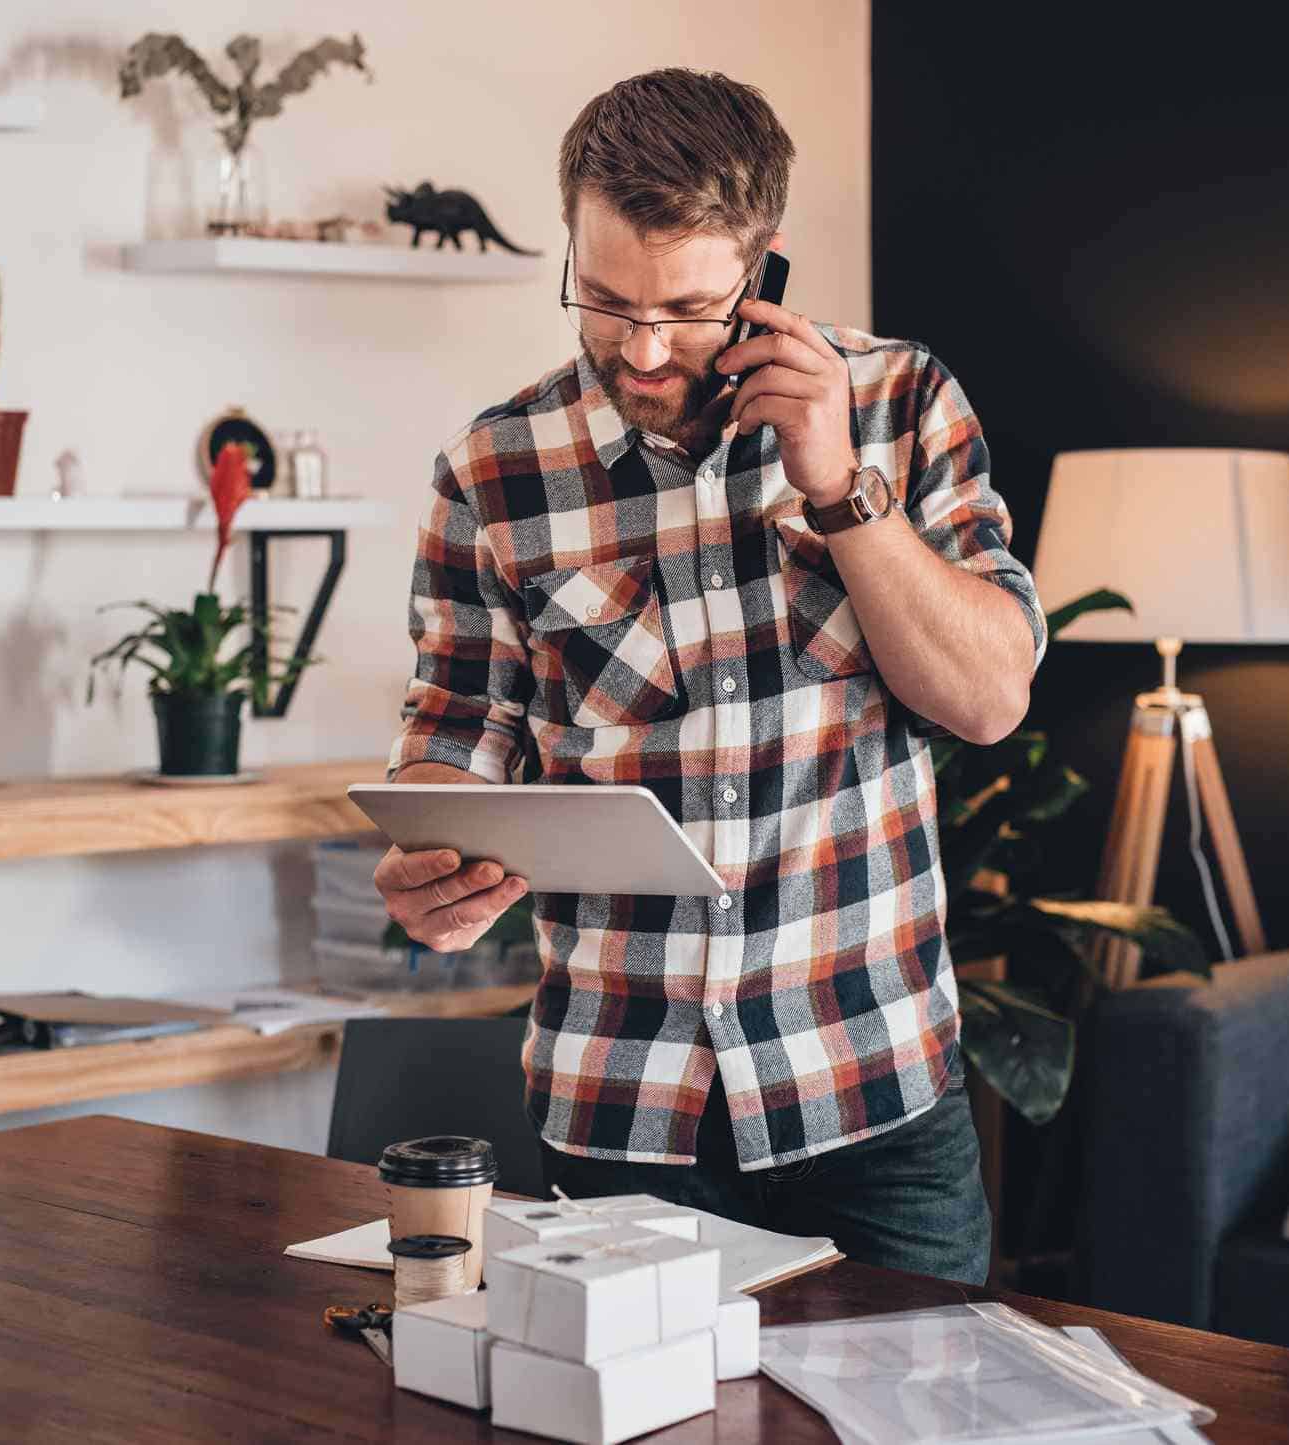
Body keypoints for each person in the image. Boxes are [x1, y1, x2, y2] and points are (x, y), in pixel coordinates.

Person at [374, 68, 1045, 1286]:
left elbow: (989, 696)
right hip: (622, 1111)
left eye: (685, 309)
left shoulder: (899, 401)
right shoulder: (492, 469)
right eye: (604, 297)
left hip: (871, 1097)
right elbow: (453, 730)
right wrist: (431, 857)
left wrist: (840, 485)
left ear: (764, 265)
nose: (639, 347)